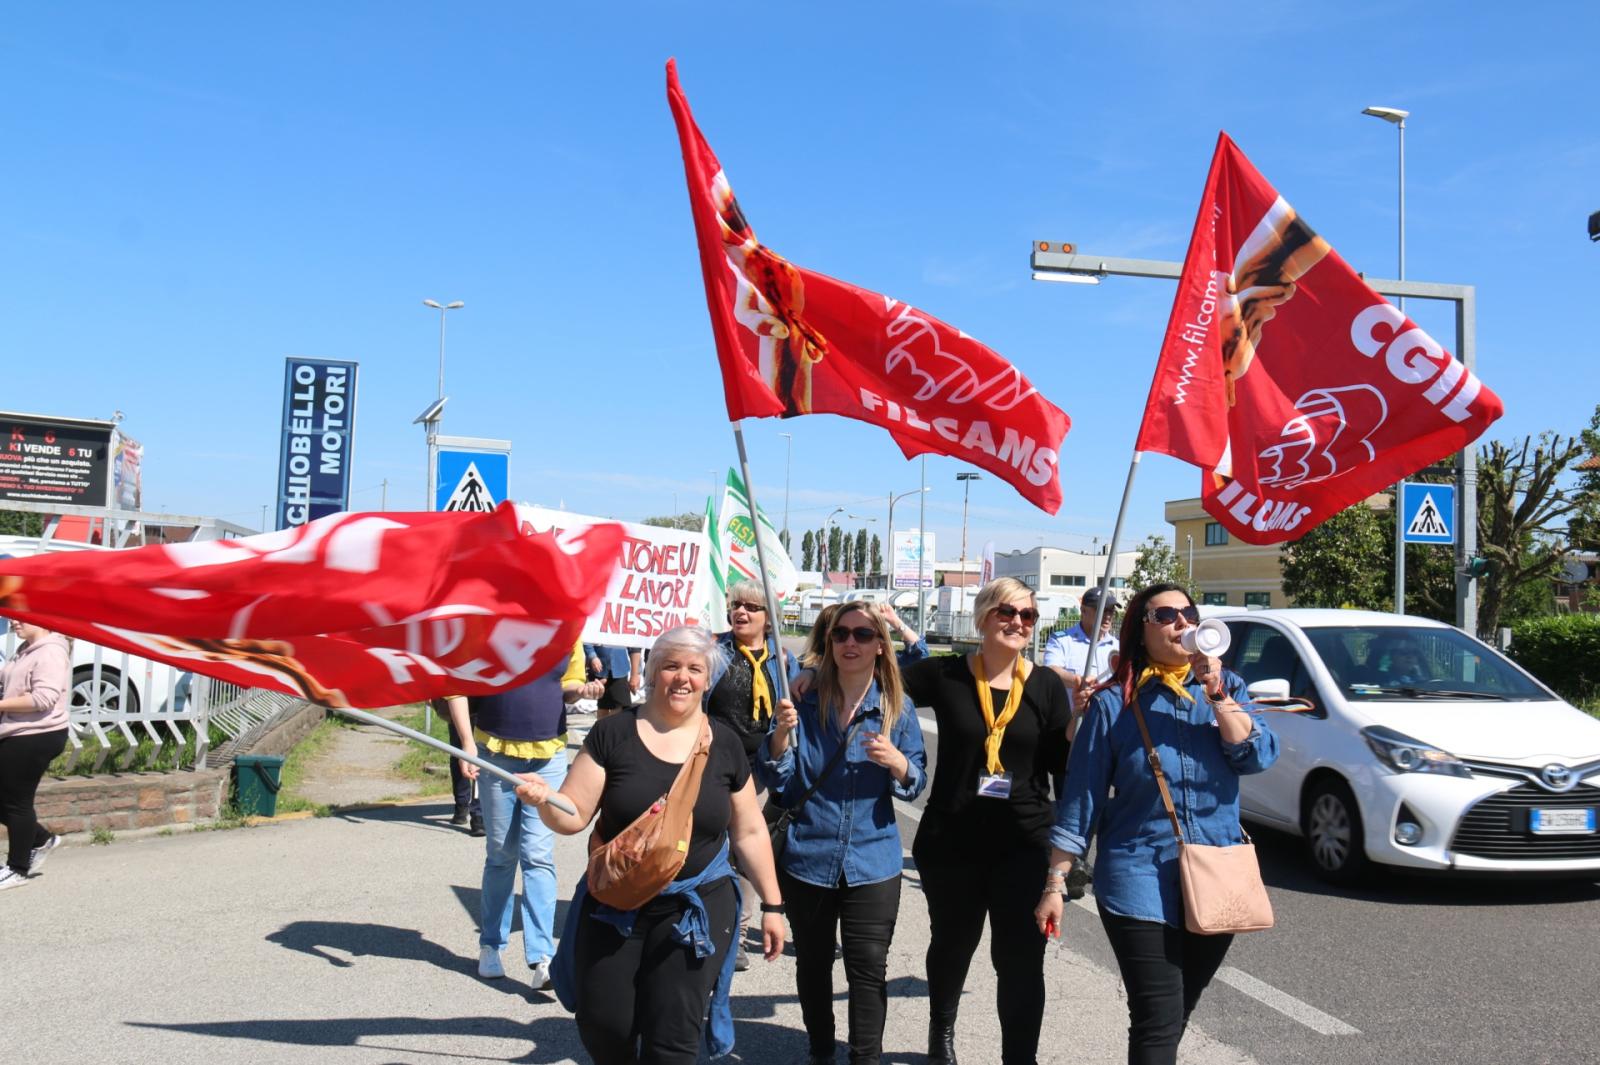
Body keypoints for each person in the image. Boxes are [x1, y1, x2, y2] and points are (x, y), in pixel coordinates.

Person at [516, 624, 786, 1064]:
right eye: (671, 666)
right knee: (605, 1025)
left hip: (695, 906)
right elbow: (574, 814)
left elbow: (750, 831)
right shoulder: (613, 734)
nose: (682, 677)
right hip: (615, 902)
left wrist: (772, 907)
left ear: (707, 678)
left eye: (695, 668)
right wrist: (545, 801)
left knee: (673, 1038)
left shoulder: (725, 744)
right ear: (654, 671)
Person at [1039, 582, 1279, 1065]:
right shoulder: (1113, 704)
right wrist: (1055, 882)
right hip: (1137, 874)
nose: (1181, 623)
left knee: (1176, 1012)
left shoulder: (1226, 688)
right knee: (1156, 1013)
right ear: (1140, 632)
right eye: (1165, 615)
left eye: (1188, 613)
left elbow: (1256, 756)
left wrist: (1214, 691)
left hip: (1215, 872)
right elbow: (1081, 799)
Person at [900, 577, 1071, 1065]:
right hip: (951, 839)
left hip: (1024, 842)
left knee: (1020, 962)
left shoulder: (1045, 685)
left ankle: (1020, 1059)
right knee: (953, 945)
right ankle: (942, 1033)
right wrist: (806, 672)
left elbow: (1063, 768)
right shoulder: (947, 675)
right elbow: (874, 678)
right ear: (983, 617)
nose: (1018, 622)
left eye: (1028, 616)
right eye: (1007, 612)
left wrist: (1078, 728)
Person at [760, 602, 927, 1065]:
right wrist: (777, 740)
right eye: (841, 635)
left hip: (873, 861)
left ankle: (864, 1058)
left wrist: (899, 765)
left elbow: (916, 781)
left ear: (880, 646)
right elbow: (782, 781)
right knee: (813, 966)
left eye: (863, 635)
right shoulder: (804, 702)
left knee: (868, 970)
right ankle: (819, 1052)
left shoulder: (898, 707)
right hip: (808, 857)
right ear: (829, 642)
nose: (850, 643)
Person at [446, 642, 602, 989]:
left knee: (538, 856)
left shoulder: (567, 630)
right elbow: (454, 685)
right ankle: (491, 945)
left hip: (549, 756)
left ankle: (542, 958)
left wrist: (585, 689)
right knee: (502, 854)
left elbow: (569, 689)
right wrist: (467, 746)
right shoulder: (489, 628)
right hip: (495, 753)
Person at [705, 579, 799, 969]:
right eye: (736, 605)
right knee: (711, 846)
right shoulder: (714, 651)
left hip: (758, 768)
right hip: (711, 763)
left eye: (751, 607)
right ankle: (702, 921)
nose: (740, 612)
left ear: (768, 617)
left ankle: (736, 936)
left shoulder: (784, 660)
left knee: (745, 852)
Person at [0, 620, 71, 890]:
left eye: (19, 617)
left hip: (36, 735)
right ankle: (41, 839)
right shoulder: (28, 649)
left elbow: (43, 698)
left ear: (40, 619)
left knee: (17, 802)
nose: (13, 623)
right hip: (17, 731)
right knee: (6, 800)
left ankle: (17, 868)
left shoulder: (50, 651)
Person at [1042, 586, 1121, 710]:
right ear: (1083, 611)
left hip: (1106, 722)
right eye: (1101, 610)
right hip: (1072, 721)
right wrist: (1079, 681)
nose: (1107, 616)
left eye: (1111, 611)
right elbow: (1051, 671)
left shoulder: (1118, 647)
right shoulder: (1062, 641)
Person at [437, 695, 483, 835]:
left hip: (459, 694)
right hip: (473, 695)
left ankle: (463, 808)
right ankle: (476, 815)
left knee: (461, 752)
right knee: (474, 755)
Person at [586, 642, 642, 719]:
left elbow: (634, 646)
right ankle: (602, 729)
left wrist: (635, 674)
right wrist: (593, 657)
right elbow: (587, 640)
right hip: (599, 669)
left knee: (620, 705)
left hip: (619, 668)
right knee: (603, 705)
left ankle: (615, 729)